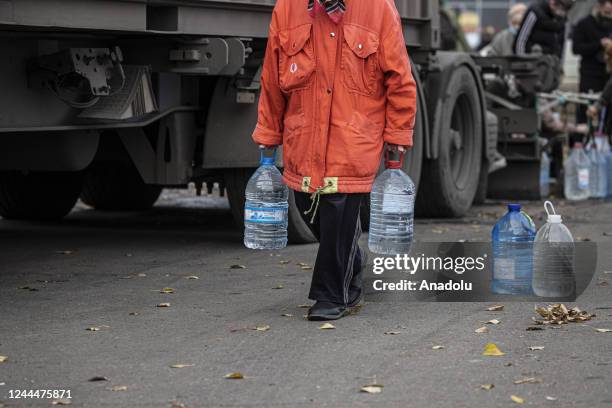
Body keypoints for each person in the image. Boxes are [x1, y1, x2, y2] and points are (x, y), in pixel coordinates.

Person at [252, 0, 417, 321]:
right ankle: (351, 262)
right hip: (304, 139)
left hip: (354, 138)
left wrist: (397, 135)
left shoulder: (378, 8)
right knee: (312, 212)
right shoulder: (287, 8)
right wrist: (268, 135)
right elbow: (272, 80)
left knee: (338, 209)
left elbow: (400, 78)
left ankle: (330, 295)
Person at [573, 0, 612, 124]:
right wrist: (598, 44)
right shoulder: (584, 24)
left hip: (608, 74)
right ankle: (580, 135)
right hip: (590, 74)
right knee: (585, 107)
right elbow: (576, 48)